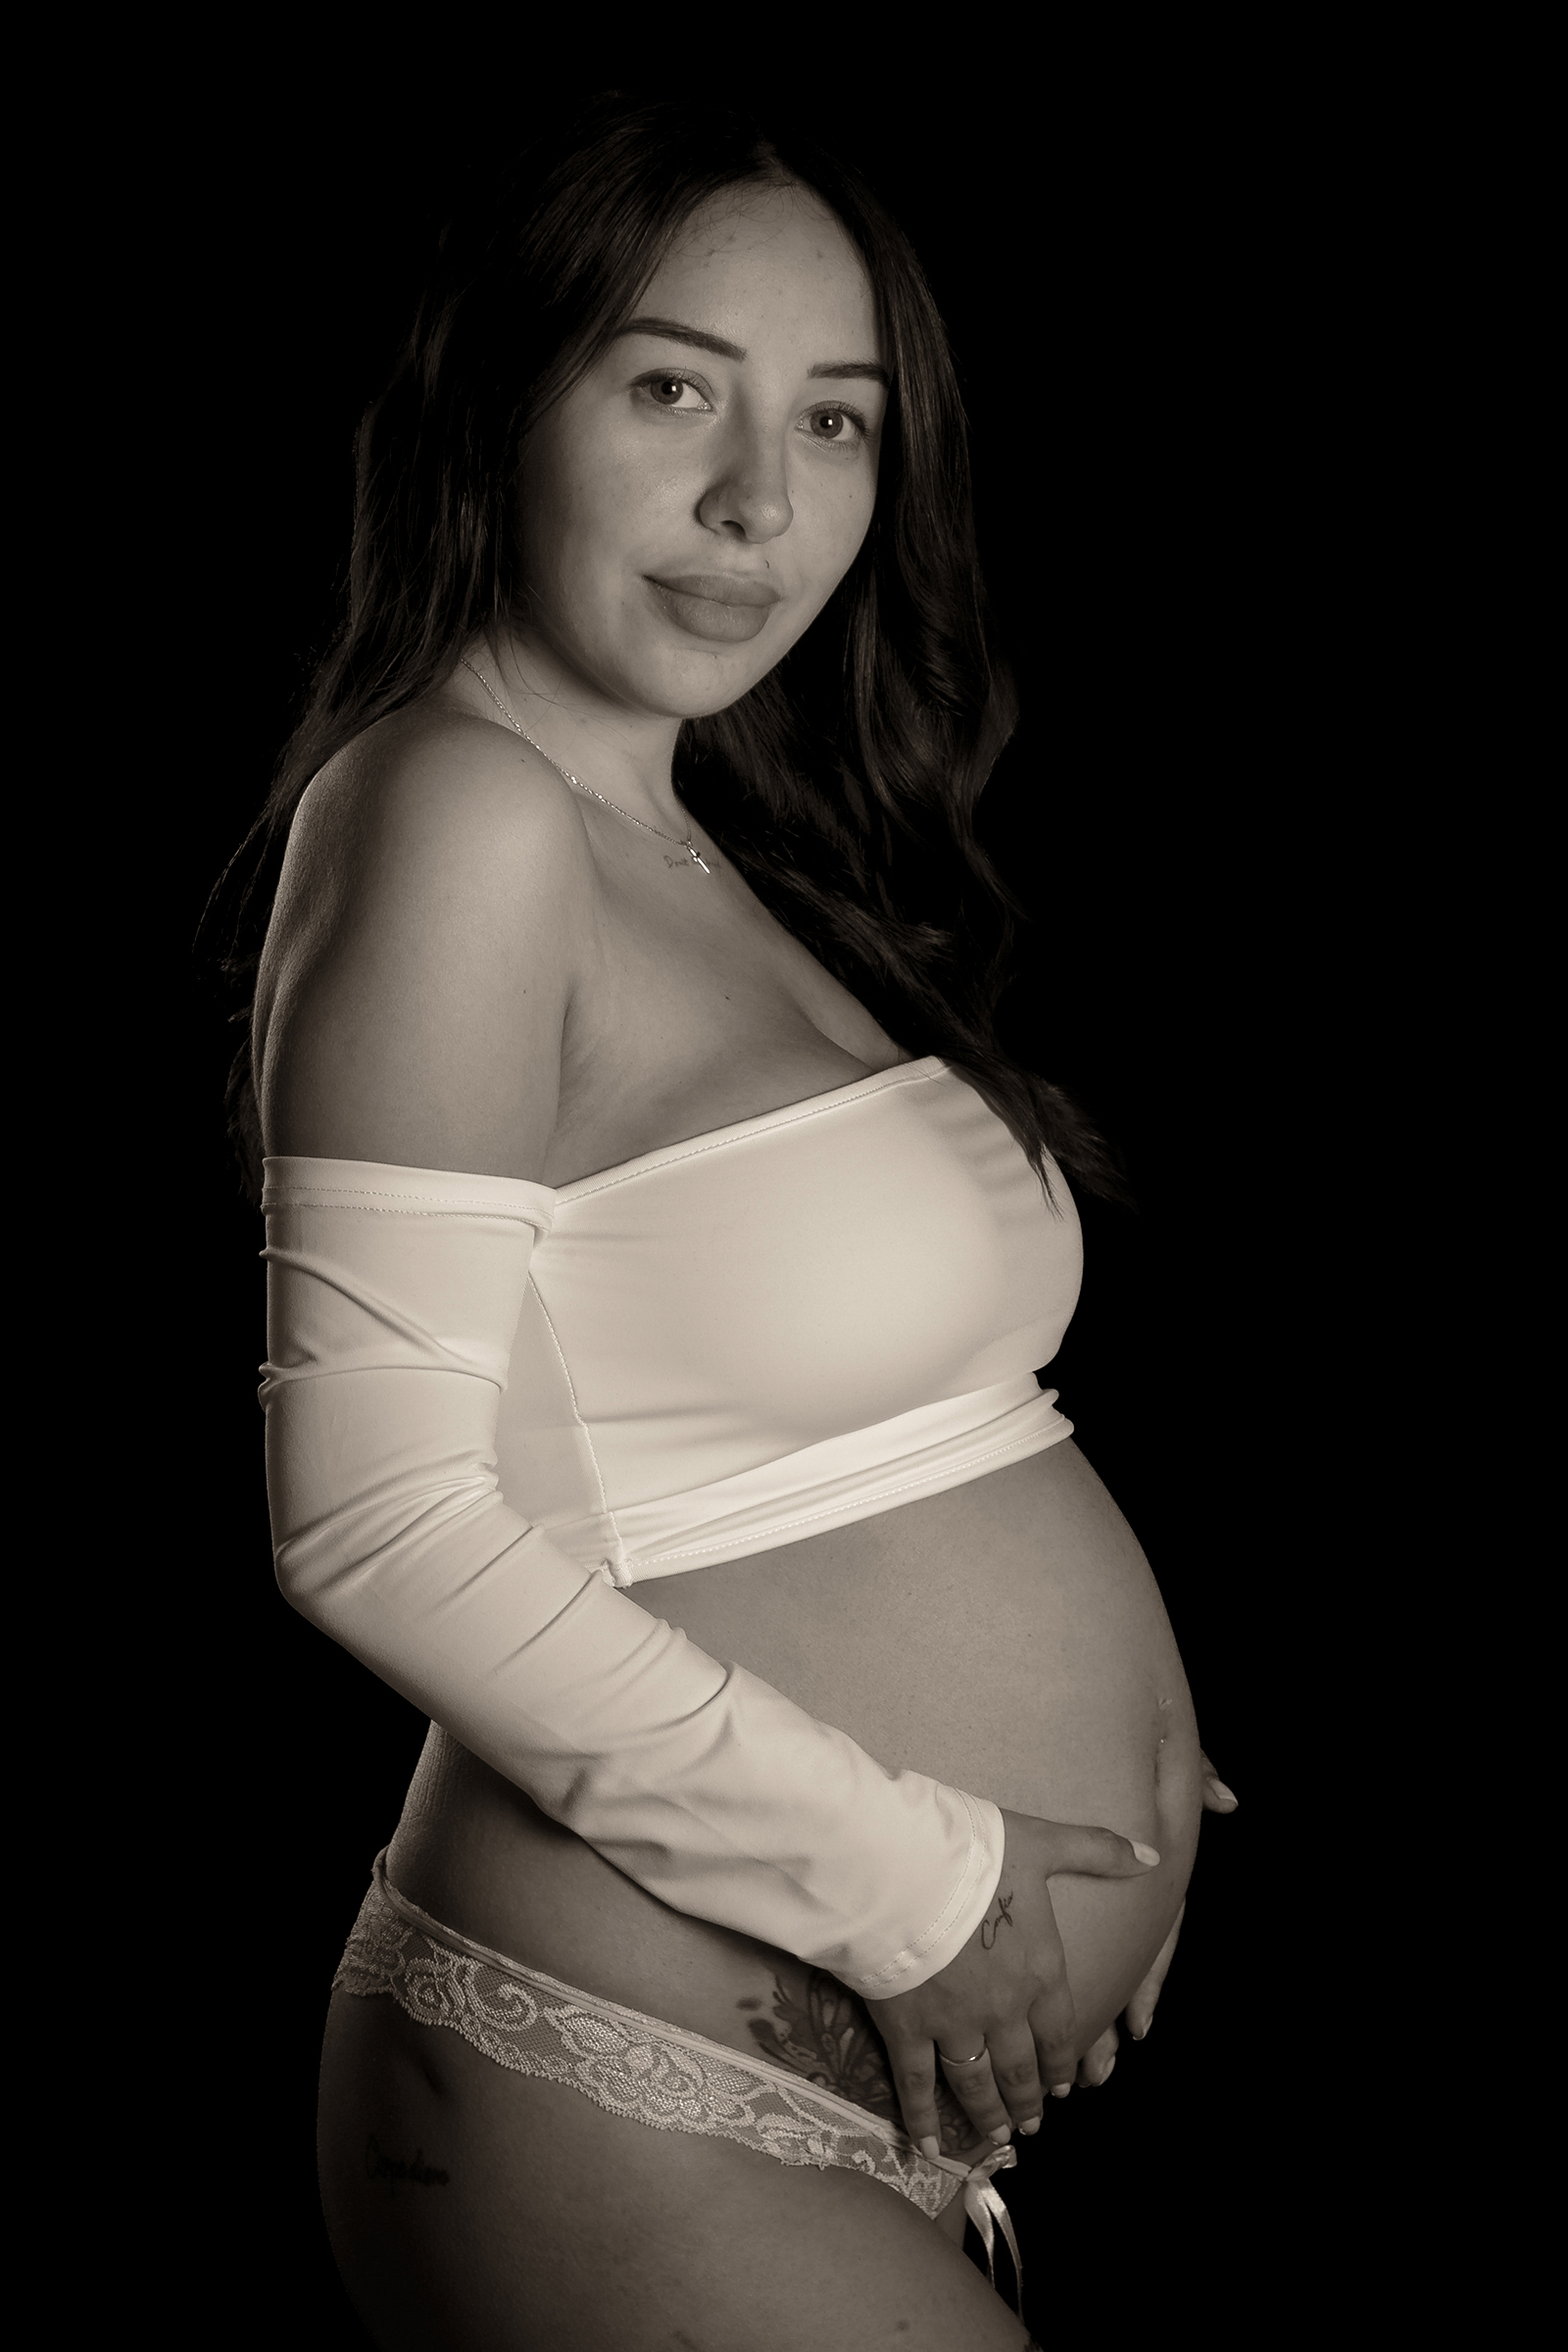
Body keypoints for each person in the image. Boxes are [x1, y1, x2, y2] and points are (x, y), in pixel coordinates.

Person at [211, 94, 1239, 2352]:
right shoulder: (457, 805)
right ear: (500, 396)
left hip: (812, 2081)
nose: (760, 501)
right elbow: (369, 1519)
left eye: (833, 421)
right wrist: (922, 1889)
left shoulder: (694, 848)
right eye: (672, 389)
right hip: (626, 2097)